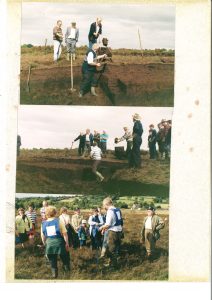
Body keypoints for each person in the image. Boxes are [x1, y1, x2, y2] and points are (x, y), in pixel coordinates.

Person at [41, 206, 70, 278]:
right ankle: (67, 274)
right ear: (55, 213)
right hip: (60, 243)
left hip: (50, 244)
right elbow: (65, 234)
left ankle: (54, 275)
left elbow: (43, 236)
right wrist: (67, 243)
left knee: (52, 261)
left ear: (46, 214)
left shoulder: (43, 223)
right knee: (65, 258)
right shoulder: (59, 221)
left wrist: (45, 244)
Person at [99, 197, 123, 268]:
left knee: (111, 249)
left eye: (104, 205)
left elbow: (108, 224)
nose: (103, 207)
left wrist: (101, 228)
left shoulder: (110, 211)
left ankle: (113, 265)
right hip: (119, 231)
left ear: (106, 204)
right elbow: (118, 221)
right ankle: (112, 263)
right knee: (116, 248)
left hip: (113, 232)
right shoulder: (118, 209)